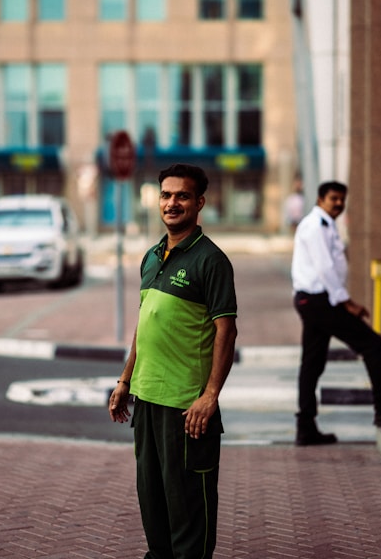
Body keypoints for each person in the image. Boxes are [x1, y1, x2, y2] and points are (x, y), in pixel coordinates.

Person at [109, 163, 238, 559]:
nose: (172, 203)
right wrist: (125, 381)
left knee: (188, 512)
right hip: (146, 401)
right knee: (153, 504)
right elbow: (145, 323)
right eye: (166, 195)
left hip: (186, 408)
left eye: (182, 196)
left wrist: (210, 395)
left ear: (199, 203)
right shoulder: (152, 256)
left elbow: (226, 331)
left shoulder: (211, 261)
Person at [292, 180, 381, 446]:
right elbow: (324, 267)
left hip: (314, 301)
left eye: (342, 199)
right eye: (333, 198)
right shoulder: (315, 226)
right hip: (320, 301)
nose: (339, 204)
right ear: (321, 199)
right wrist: (347, 303)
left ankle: (305, 427)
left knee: (312, 363)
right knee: (371, 343)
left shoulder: (325, 225)